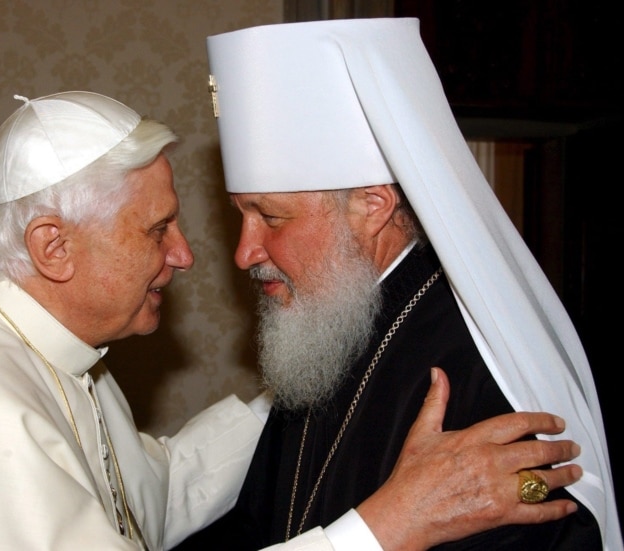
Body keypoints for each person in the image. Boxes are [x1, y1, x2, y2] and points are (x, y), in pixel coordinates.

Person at [0, 91, 584, 551]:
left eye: (268, 214)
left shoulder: (46, 354)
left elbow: (154, 495)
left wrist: (303, 374)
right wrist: (387, 526)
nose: (190, 255)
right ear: (53, 247)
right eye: (157, 230)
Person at [175, 18, 623, 551]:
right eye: (241, 215)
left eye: (270, 217)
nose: (245, 252)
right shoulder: (322, 334)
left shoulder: (473, 372)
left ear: (372, 207)